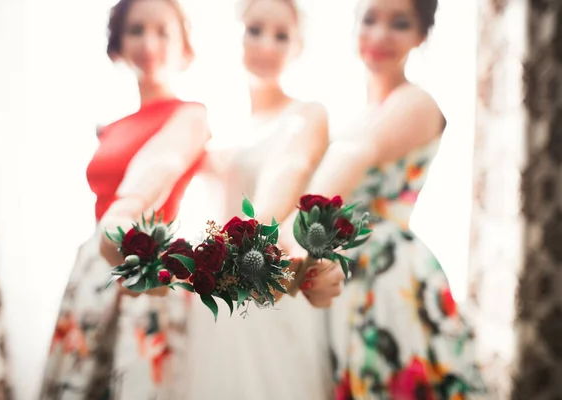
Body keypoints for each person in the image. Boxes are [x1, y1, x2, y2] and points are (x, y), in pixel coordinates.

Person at [283, 0, 487, 398]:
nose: (379, 35)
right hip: (343, 274)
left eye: (399, 23)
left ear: (421, 35)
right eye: (370, 19)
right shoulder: (355, 115)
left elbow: (352, 156)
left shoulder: (416, 103)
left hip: (387, 272)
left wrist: (292, 239)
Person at [158, 0, 344, 398]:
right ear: (238, 34)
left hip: (273, 287)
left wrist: (247, 239)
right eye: (255, 30)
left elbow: (289, 172)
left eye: (281, 36)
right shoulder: (220, 132)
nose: (266, 45)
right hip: (222, 295)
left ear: (298, 47)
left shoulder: (308, 113)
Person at [39, 0, 211, 398]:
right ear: (118, 44)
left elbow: (163, 163)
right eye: (136, 30)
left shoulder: (190, 115)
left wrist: (124, 214)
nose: (149, 43)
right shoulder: (110, 128)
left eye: (162, 31)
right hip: (91, 269)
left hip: (146, 270)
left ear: (184, 45)